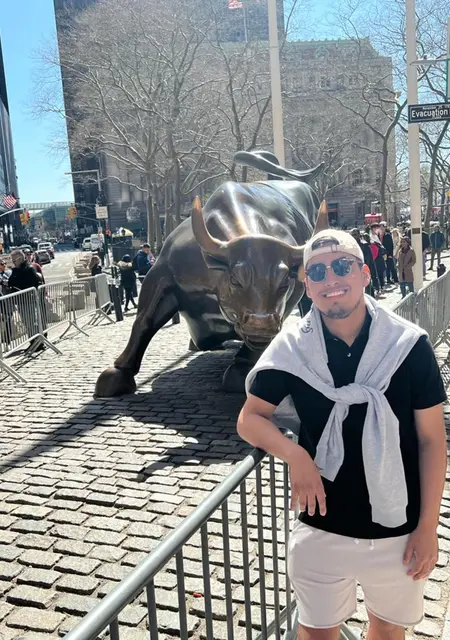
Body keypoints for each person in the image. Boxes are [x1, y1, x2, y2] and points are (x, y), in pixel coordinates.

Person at [237, 229, 446, 640]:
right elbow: (250, 418)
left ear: (365, 274)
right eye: (317, 272)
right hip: (320, 525)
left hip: (396, 528)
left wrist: (427, 527)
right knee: (316, 633)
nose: (330, 278)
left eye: (341, 266)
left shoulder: (407, 345)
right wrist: (295, 455)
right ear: (307, 287)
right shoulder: (292, 349)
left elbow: (432, 440)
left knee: (387, 631)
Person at [350, 228, 379, 297]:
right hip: (353, 274)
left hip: (364, 272)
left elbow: (370, 261)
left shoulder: (364, 245)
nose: (354, 236)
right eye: (352, 235)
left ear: (359, 235)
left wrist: (375, 279)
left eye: (355, 234)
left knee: (366, 294)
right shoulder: (349, 246)